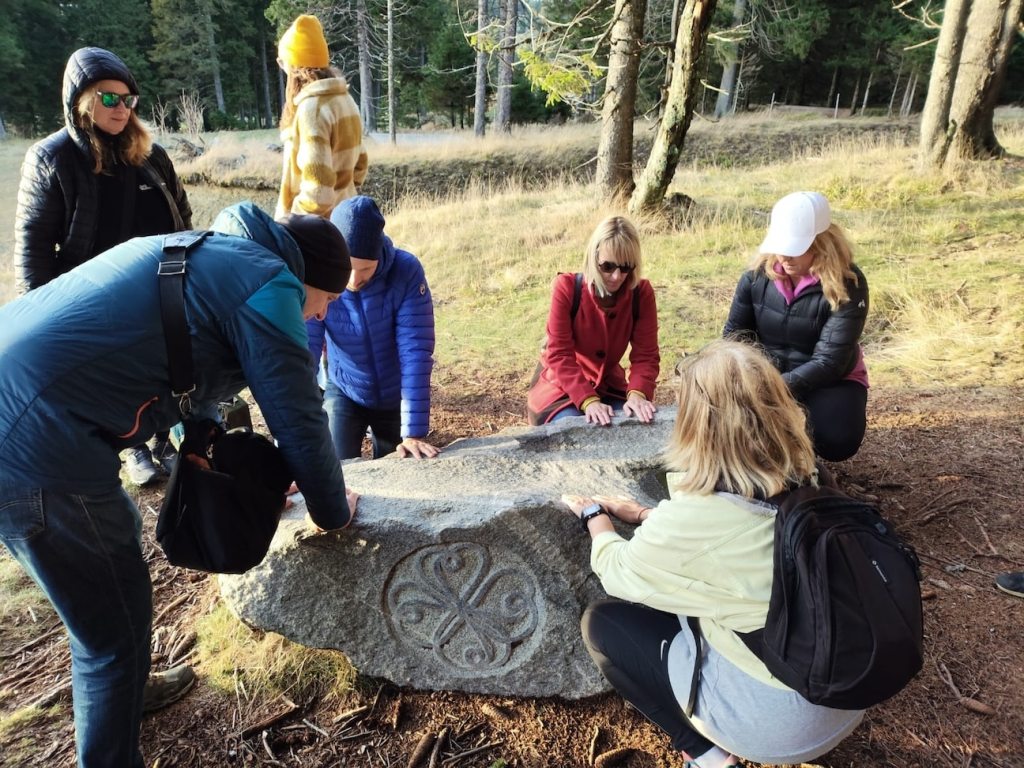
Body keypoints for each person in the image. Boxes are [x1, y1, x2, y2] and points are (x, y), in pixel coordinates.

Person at [0, 202, 359, 768]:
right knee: (111, 630)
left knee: (111, 592)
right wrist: (333, 512)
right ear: (306, 278)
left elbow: (184, 367)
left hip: (24, 406)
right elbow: (299, 419)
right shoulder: (268, 284)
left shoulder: (207, 253)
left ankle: (127, 691)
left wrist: (201, 444)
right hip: (30, 440)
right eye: (328, 300)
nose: (320, 315)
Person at [561, 339, 864, 768]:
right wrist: (646, 514)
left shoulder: (700, 514)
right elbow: (731, 538)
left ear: (696, 423)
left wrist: (594, 515)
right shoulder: (811, 475)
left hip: (782, 725)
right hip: (849, 690)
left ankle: (707, 755)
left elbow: (617, 571)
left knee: (602, 624)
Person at [13, 46, 193, 487]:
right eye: (108, 98)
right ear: (80, 101)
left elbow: (183, 217)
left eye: (128, 99)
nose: (121, 108)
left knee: (167, 368)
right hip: (93, 296)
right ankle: (132, 448)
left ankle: (166, 441)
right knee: (113, 376)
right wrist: (40, 320)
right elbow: (33, 248)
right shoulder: (52, 157)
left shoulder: (151, 154)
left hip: (159, 289)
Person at [723, 191, 869, 462]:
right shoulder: (755, 278)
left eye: (796, 248)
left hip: (829, 380)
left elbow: (830, 361)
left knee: (837, 438)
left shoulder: (848, 283)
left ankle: (805, 448)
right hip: (767, 375)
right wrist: (748, 380)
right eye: (781, 246)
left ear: (822, 243)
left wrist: (774, 390)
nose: (785, 257)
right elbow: (735, 338)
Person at [307, 195, 438, 459]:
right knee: (336, 465)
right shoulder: (320, 274)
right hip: (345, 389)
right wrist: (301, 420)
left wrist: (412, 431)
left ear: (379, 253)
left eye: (365, 268)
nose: (354, 279)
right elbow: (306, 348)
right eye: (348, 267)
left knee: (399, 466)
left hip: (395, 395)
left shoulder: (406, 271)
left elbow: (415, 351)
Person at [527, 216, 659, 426]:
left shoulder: (641, 293)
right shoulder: (566, 287)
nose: (616, 276)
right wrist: (588, 401)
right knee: (575, 431)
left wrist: (638, 394)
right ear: (593, 257)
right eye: (608, 266)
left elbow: (646, 355)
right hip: (562, 388)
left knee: (632, 426)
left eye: (626, 267)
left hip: (610, 386)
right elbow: (559, 354)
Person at [275, 13, 368, 219]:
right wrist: (343, 194)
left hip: (316, 230)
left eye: (283, 61)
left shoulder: (312, 110)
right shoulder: (346, 100)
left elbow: (318, 195)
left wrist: (286, 223)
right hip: (343, 221)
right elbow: (360, 166)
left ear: (294, 64)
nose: (281, 66)